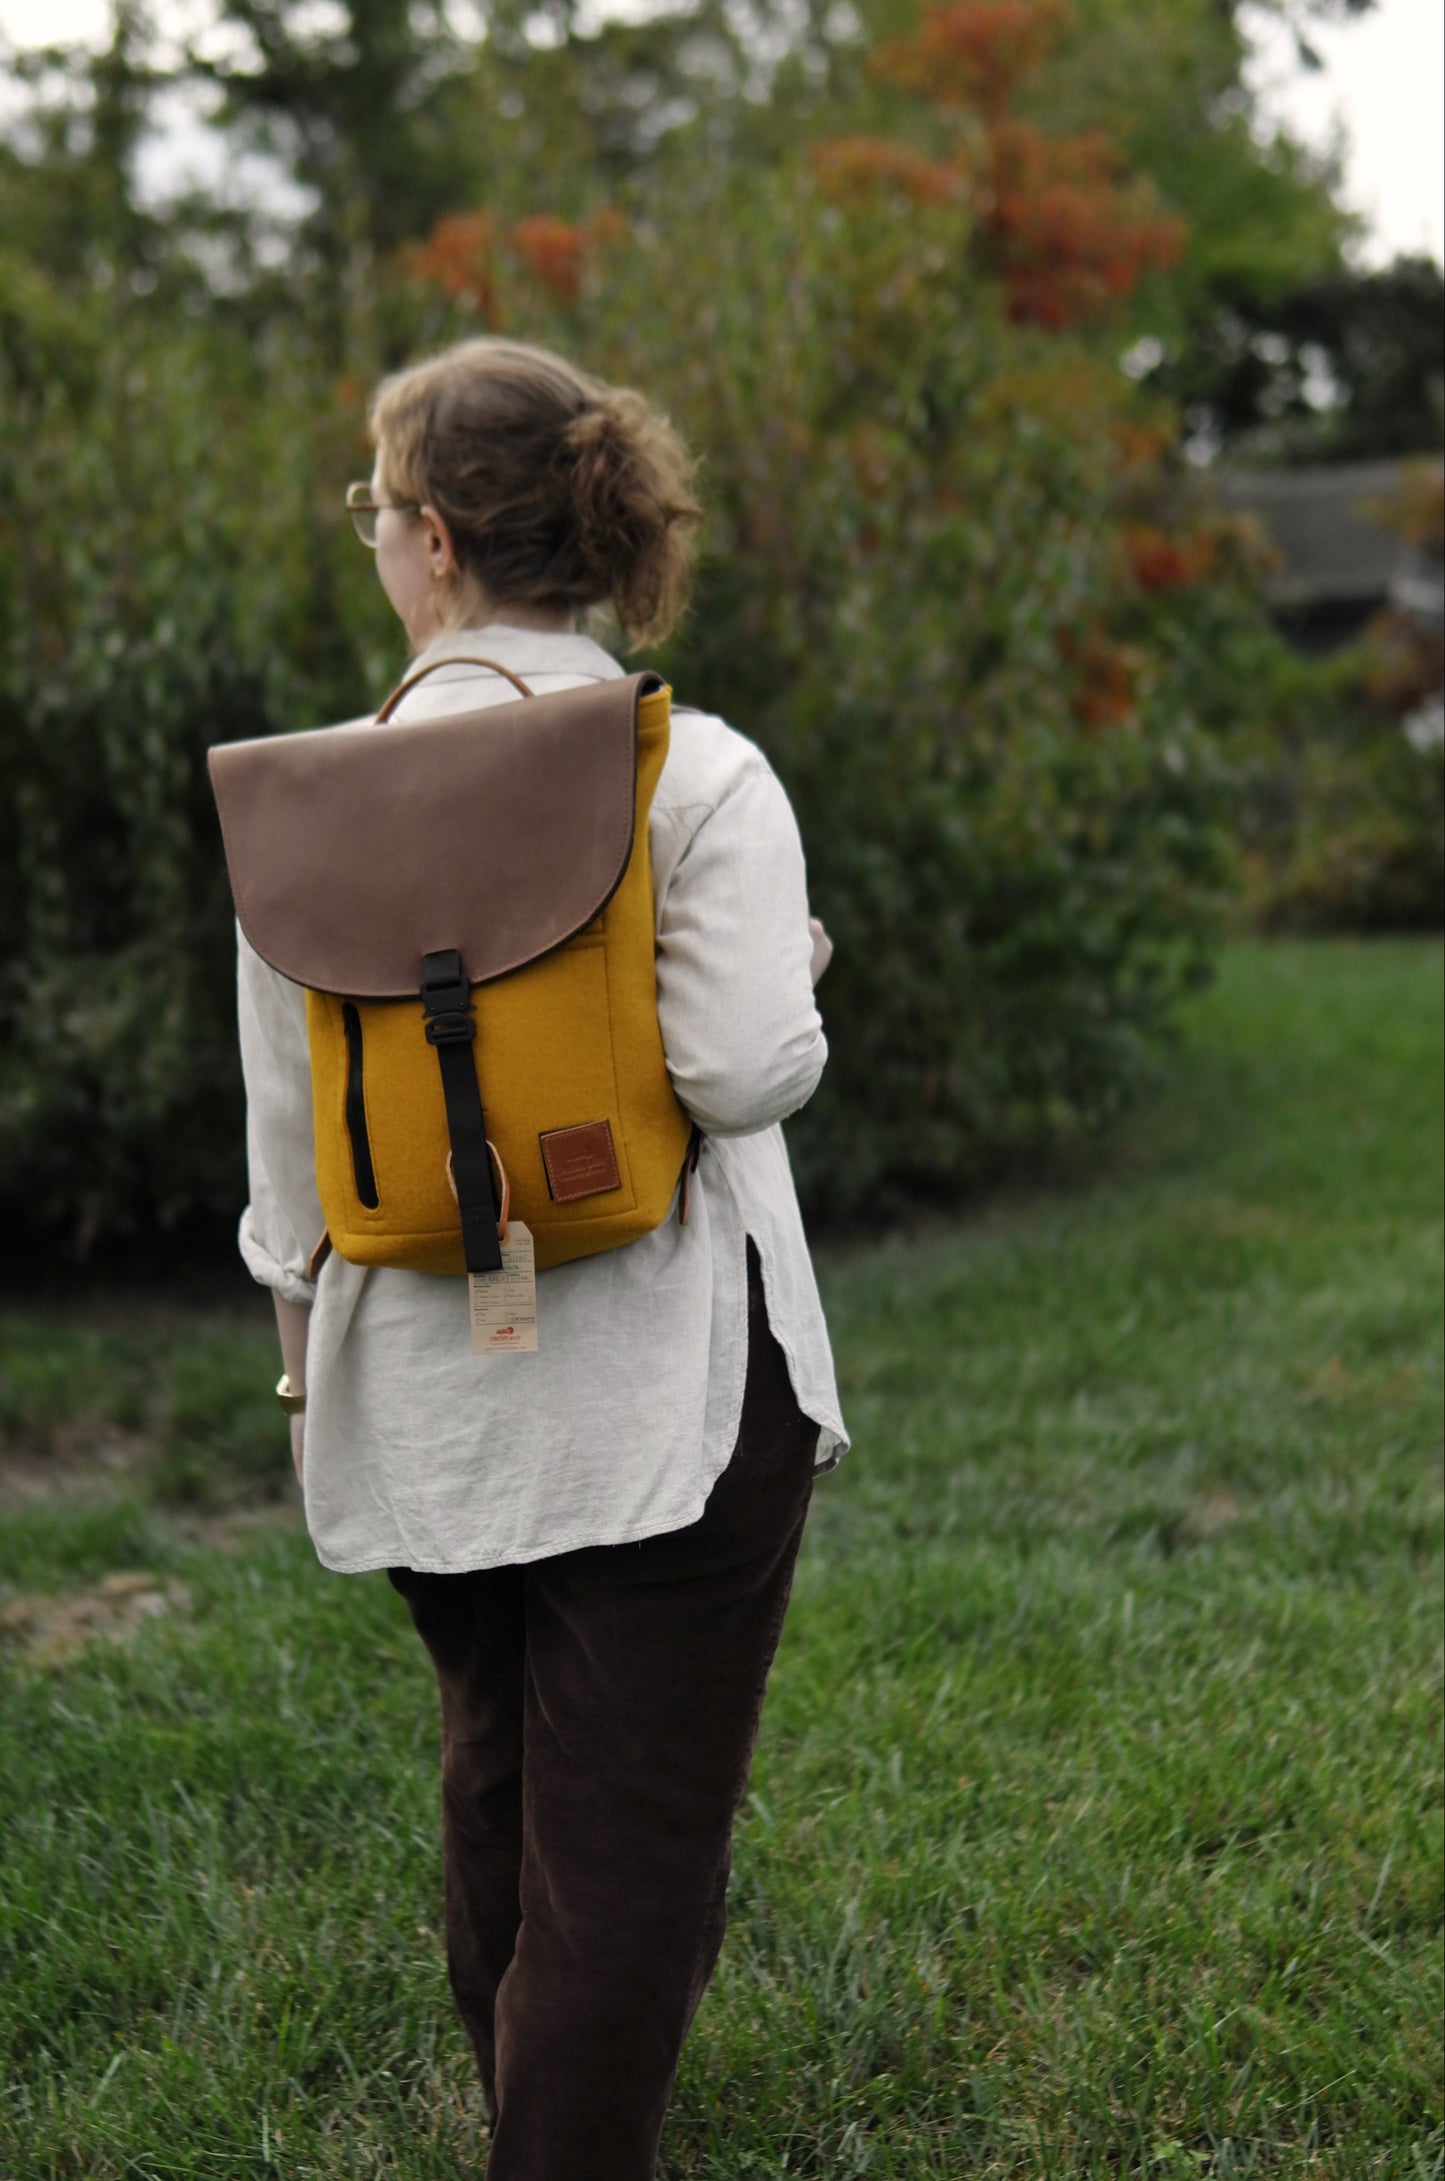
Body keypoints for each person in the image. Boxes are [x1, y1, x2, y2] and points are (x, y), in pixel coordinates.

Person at [235, 336, 847, 2180]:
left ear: (429, 541)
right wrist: (798, 974)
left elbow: (290, 1178)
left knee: (496, 1776)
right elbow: (743, 1066)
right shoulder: (698, 770)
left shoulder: (303, 812)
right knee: (628, 1851)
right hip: (670, 1389)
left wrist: (298, 1380)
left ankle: (527, 2111)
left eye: (371, 511)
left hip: (422, 1395)